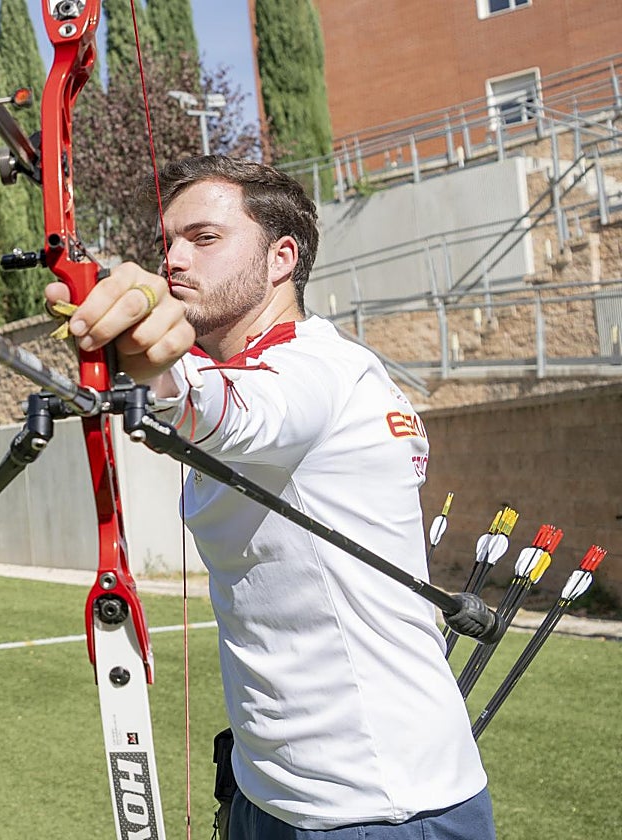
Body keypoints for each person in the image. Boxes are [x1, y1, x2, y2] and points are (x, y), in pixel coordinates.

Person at [45, 155, 495, 839]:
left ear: (282, 257)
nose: (174, 261)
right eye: (166, 244)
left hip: (376, 809)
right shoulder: (275, 368)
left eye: (203, 238)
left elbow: (234, 406)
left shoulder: (321, 370)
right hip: (268, 790)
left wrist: (156, 369)